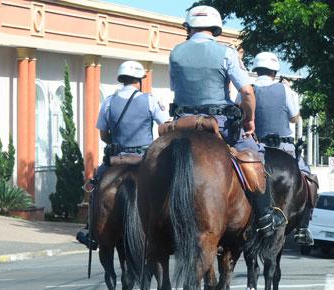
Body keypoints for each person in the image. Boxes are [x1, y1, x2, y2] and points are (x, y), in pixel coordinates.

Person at [169, 5, 285, 237]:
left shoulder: (175, 52)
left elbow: (175, 88)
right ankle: (264, 215)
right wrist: (249, 121)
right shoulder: (226, 53)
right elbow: (247, 92)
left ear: (189, 27)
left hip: (181, 124)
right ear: (216, 28)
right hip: (219, 124)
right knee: (252, 154)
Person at [77, 60, 168, 249]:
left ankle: (92, 231)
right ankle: (172, 227)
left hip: (116, 159)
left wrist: (117, 143)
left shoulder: (109, 102)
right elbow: (164, 126)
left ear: (122, 80)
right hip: (144, 159)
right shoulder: (149, 100)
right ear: (139, 80)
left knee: (95, 187)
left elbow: (103, 135)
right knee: (168, 186)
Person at [239, 51, 313, 245]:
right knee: (309, 178)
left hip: (255, 146)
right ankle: (303, 228)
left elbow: (242, 114)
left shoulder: (248, 89)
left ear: (256, 68)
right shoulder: (284, 90)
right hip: (283, 147)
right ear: (275, 70)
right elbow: (294, 117)